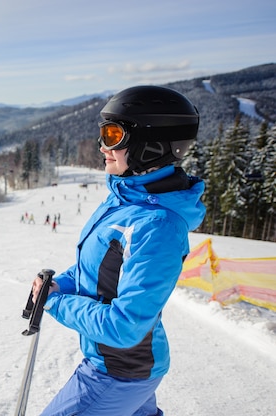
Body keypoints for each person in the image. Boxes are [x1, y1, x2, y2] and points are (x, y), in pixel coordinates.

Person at [31, 86, 206, 415]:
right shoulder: (126, 200)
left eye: (113, 135)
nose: (102, 146)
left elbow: (124, 327)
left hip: (119, 373)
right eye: (103, 133)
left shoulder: (157, 227)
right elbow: (97, 267)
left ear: (150, 147)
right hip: (120, 366)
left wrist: (55, 303)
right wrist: (60, 285)